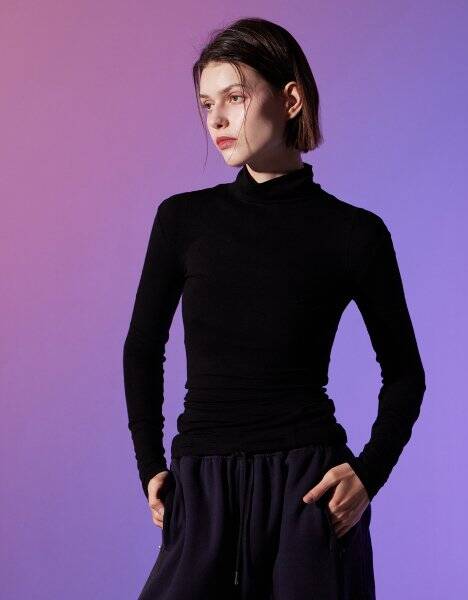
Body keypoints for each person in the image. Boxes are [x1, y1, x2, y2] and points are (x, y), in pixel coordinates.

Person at [123, 17, 426, 600]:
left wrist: (368, 474)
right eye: (206, 104)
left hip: (307, 493)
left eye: (235, 97)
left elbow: (406, 374)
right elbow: (141, 349)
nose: (216, 120)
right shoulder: (183, 220)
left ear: (290, 100)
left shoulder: (354, 233)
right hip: (201, 484)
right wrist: (150, 464)